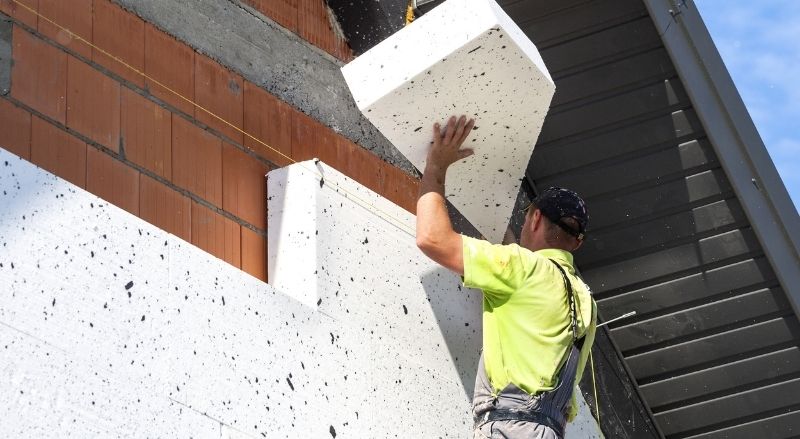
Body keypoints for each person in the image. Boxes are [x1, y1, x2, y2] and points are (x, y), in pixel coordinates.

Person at [416, 115, 597, 439]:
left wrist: (436, 166)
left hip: (507, 428)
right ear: (577, 242)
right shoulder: (585, 303)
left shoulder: (520, 268)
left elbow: (432, 238)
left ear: (536, 217)